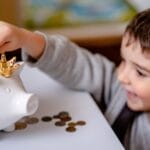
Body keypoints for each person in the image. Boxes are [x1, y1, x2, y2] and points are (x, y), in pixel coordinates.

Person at [0, 8, 150, 150]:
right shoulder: (118, 88)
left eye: (140, 73)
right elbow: (75, 62)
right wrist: (25, 38)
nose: (121, 76)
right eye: (123, 61)